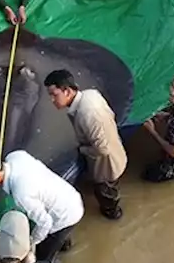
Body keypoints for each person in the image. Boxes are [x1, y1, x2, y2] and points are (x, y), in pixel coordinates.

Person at [0, 151, 83, 263]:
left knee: (44, 254)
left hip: (66, 215)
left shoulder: (21, 193)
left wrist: (31, 244)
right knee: (57, 236)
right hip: (67, 195)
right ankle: (63, 242)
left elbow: (45, 223)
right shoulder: (15, 156)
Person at [43, 70, 126, 219]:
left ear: (67, 91)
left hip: (107, 165)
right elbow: (111, 115)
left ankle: (112, 211)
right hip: (116, 148)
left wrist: (82, 149)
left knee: (106, 191)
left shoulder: (86, 114)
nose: (52, 100)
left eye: (54, 95)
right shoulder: (91, 94)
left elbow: (102, 149)